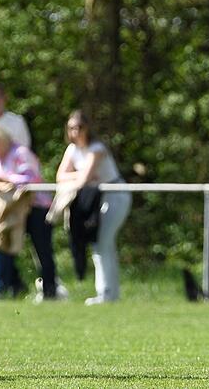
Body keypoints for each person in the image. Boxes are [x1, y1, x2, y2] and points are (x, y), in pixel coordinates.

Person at [56, 110, 131, 305]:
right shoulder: (72, 150)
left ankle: (106, 292)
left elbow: (85, 179)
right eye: (71, 128)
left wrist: (80, 176)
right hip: (98, 199)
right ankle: (110, 293)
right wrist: (79, 175)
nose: (75, 132)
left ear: (87, 128)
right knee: (103, 245)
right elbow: (61, 177)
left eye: (79, 127)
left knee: (102, 243)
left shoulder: (97, 148)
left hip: (116, 195)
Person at [0, 125, 61, 304]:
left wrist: (3, 179)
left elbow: (31, 179)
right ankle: (3, 287)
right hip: (10, 210)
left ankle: (50, 290)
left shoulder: (21, 153)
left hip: (35, 206)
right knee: (2, 244)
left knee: (42, 249)